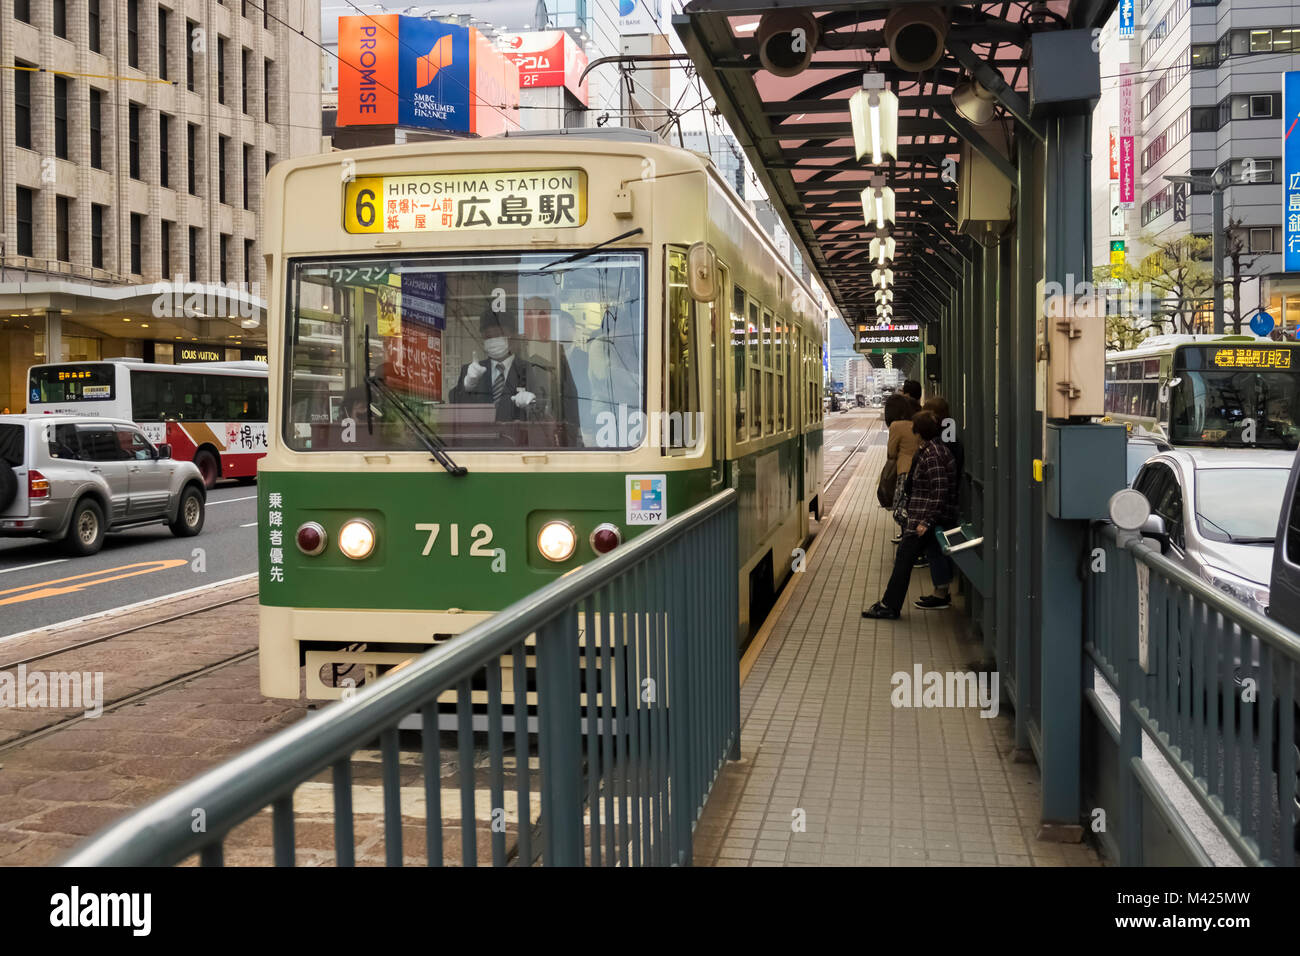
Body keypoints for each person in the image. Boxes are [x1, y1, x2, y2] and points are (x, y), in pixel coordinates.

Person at [863, 411, 958, 619]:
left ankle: (890, 605)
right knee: (928, 554)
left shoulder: (932, 455)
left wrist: (927, 521)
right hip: (926, 517)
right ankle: (939, 595)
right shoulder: (934, 449)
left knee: (903, 560)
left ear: (918, 433)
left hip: (924, 520)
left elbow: (939, 491)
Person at [449, 306, 583, 444]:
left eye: (499, 335)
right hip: (477, 452)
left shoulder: (535, 370)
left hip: (518, 449)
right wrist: (468, 384)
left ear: (513, 337)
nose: (494, 341)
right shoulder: (470, 370)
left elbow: (553, 411)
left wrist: (533, 404)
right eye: (489, 337)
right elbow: (454, 408)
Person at [883, 392, 920, 544]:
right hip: (921, 471)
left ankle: (911, 544)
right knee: (912, 509)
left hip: (904, 472)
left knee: (901, 510)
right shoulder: (916, 423)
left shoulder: (896, 426)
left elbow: (891, 452)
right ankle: (909, 542)